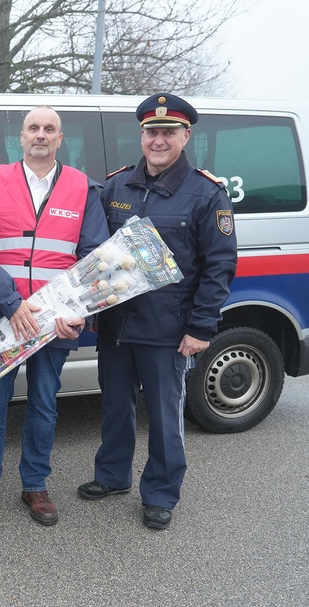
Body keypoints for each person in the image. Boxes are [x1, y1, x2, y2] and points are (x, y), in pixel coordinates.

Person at [77, 93, 237, 530]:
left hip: (169, 329)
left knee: (165, 417)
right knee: (115, 406)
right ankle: (113, 476)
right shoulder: (116, 187)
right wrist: (88, 308)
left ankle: (161, 493)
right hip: (115, 324)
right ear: (141, 136)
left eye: (169, 132)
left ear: (186, 136)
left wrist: (201, 327)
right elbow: (96, 255)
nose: (158, 140)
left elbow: (219, 267)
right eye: (152, 132)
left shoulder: (207, 194)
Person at [0, 106, 109, 526]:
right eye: (33, 128)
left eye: (49, 129)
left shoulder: (82, 188)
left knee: (44, 404)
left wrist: (77, 313)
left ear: (60, 139)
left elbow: (93, 258)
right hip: (2, 316)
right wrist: (12, 304)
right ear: (21, 138)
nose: (40, 135)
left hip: (54, 323)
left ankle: (35, 485)